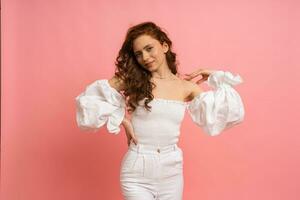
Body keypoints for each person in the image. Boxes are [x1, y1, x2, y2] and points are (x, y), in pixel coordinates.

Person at [75, 21, 245, 200]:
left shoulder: (186, 87)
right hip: (137, 170)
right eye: (138, 54)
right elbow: (88, 100)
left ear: (164, 46)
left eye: (149, 49)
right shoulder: (133, 79)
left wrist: (215, 76)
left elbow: (230, 113)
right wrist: (121, 120)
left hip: (171, 172)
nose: (145, 57)